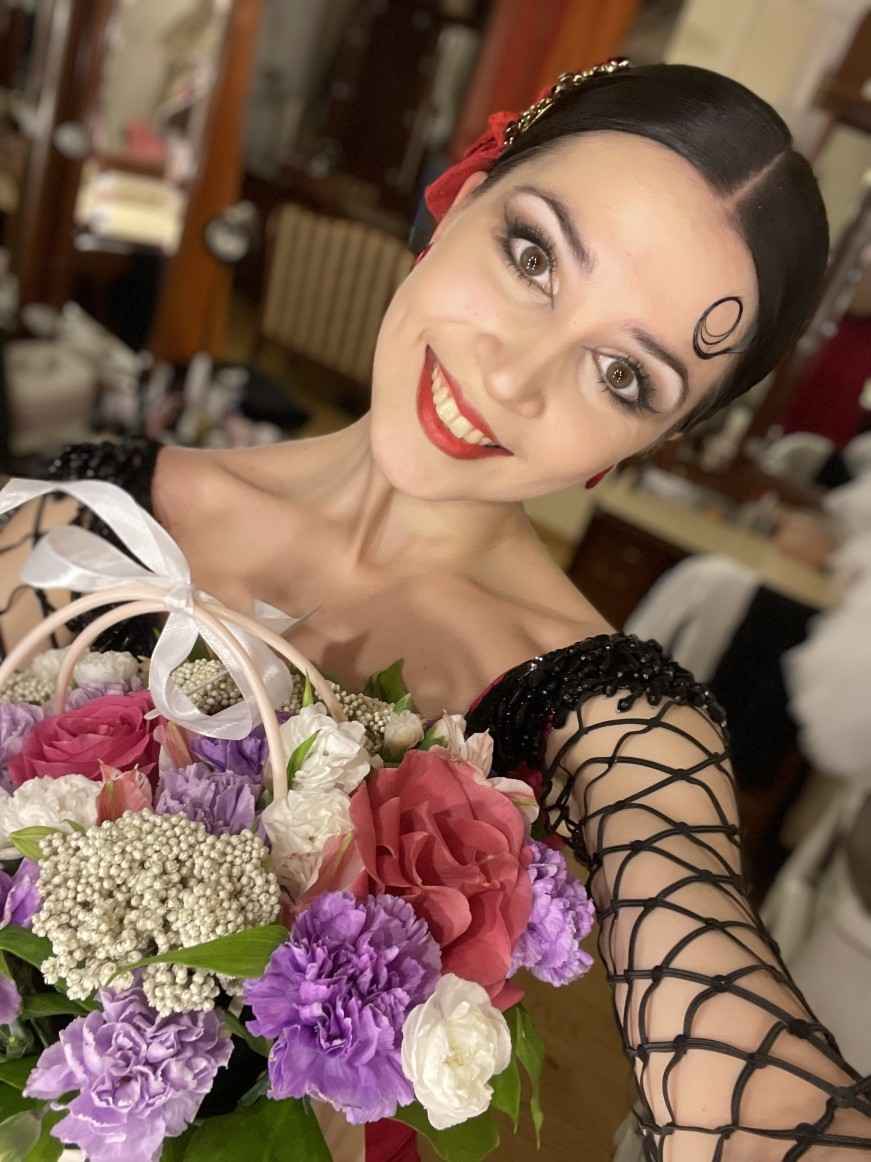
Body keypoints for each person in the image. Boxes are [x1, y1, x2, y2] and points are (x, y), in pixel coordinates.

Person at [2, 60, 870, 1160]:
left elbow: (743, 1070)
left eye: (623, 375)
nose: (513, 378)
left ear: (655, 440)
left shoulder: (614, 721)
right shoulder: (84, 516)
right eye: (532, 256)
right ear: (461, 193)